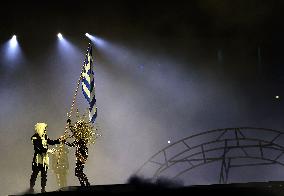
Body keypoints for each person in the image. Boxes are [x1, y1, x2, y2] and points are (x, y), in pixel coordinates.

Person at [29, 122, 64, 193]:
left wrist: (59, 140)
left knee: (44, 175)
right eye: (44, 129)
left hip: (44, 160)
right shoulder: (34, 137)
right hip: (37, 160)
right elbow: (38, 148)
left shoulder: (45, 136)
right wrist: (48, 150)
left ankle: (43, 189)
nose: (45, 131)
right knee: (34, 174)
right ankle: (31, 188)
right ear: (40, 128)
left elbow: (51, 142)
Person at [65, 119, 90, 186]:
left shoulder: (81, 138)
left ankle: (86, 183)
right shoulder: (79, 139)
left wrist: (69, 124)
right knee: (78, 172)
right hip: (80, 155)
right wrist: (65, 142)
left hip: (82, 154)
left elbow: (73, 131)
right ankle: (83, 184)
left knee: (78, 171)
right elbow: (72, 144)